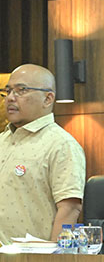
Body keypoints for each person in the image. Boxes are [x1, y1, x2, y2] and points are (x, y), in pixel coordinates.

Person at [0, 64, 85, 245]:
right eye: (8, 91)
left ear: (48, 99)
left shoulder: (61, 144)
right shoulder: (2, 140)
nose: (10, 98)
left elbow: (69, 209)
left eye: (21, 90)